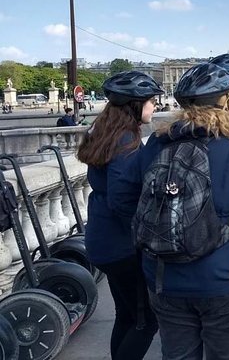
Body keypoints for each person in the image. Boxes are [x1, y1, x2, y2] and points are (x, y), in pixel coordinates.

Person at [139, 62, 229, 359]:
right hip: (223, 272)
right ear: (226, 100)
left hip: (163, 273)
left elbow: (136, 199)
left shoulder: (157, 140)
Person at [76, 71, 163, 360]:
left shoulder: (104, 131)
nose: (154, 106)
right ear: (134, 105)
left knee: (127, 316)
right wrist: (147, 235)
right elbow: (123, 199)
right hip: (123, 246)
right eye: (151, 101)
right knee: (146, 321)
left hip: (103, 240)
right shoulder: (126, 140)